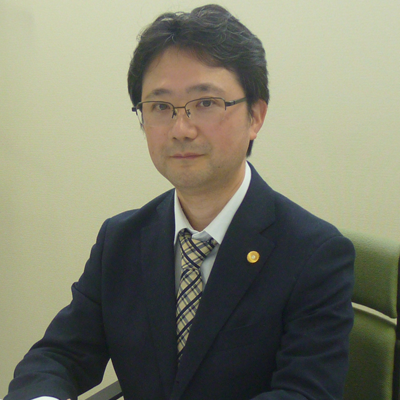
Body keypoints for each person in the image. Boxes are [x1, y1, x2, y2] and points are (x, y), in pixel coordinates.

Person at [5, 4, 355, 400]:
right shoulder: (120, 240)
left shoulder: (315, 254)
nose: (181, 129)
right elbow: (59, 356)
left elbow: (304, 393)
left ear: (256, 116)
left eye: (205, 103)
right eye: (160, 107)